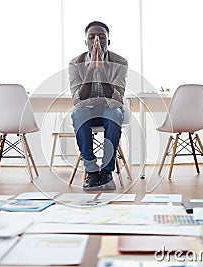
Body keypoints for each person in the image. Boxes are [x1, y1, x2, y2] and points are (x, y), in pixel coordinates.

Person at [69, 21, 128, 191]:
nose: (97, 40)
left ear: (108, 41)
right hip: (87, 112)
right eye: (92, 37)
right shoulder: (75, 63)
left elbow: (116, 100)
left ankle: (108, 171)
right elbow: (78, 101)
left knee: (114, 114)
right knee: (78, 114)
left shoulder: (120, 62)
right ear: (85, 41)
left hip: (109, 110)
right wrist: (90, 69)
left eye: (102, 37)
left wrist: (101, 69)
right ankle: (92, 171)